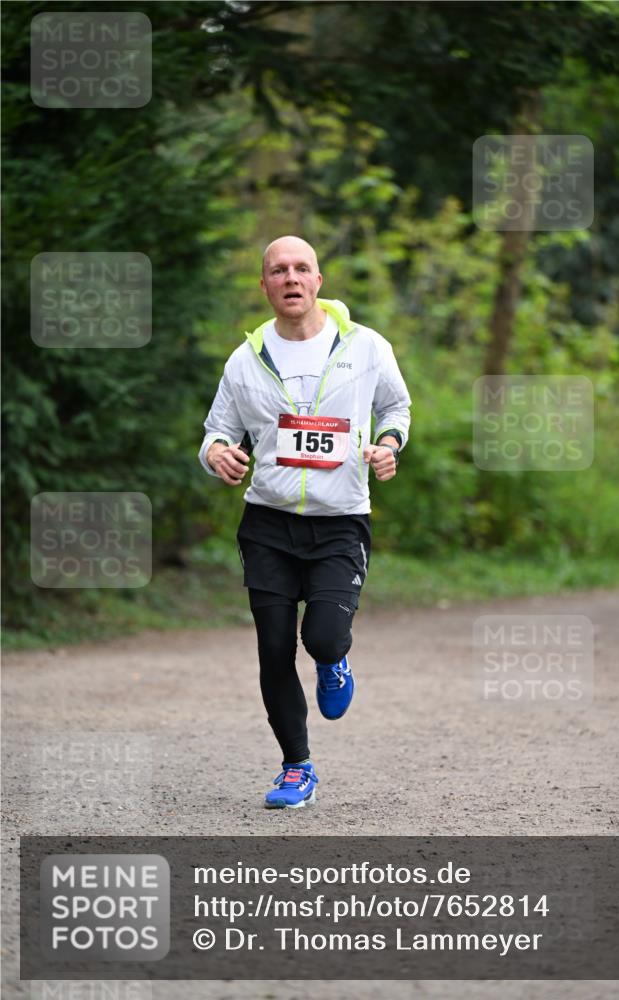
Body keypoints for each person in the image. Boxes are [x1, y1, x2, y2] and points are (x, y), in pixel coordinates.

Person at [199, 235, 411, 809]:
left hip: (341, 520)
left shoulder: (364, 347)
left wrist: (389, 443)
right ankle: (297, 767)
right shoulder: (246, 359)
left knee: (320, 636)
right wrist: (217, 452)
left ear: (319, 281)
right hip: (267, 522)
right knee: (273, 648)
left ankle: (334, 660)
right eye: (278, 271)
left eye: (302, 269)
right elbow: (216, 430)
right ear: (265, 285)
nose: (291, 279)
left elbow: (395, 407)